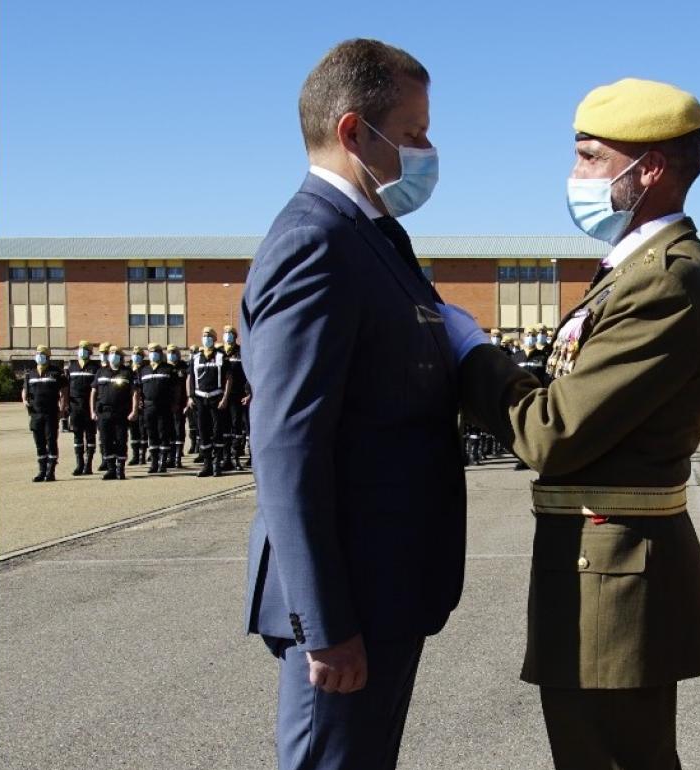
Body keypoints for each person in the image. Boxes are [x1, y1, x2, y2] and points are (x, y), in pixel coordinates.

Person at [441, 77, 700, 769]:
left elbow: (553, 432)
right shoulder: (631, 270)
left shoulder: (665, 278)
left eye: (589, 157)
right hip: (597, 556)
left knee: (609, 757)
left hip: (617, 567)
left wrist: (470, 351)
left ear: (650, 168)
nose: (575, 177)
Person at [241, 39, 464, 770]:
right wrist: (324, 624)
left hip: (386, 590)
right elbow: (287, 447)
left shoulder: (375, 238)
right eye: (412, 132)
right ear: (351, 132)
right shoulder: (316, 242)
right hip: (348, 606)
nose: (427, 150)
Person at [187, 326, 230, 478]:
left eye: (209, 336)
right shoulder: (196, 358)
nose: (206, 338)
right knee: (203, 431)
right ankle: (207, 464)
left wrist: (225, 397)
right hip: (200, 399)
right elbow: (190, 378)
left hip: (216, 398)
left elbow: (228, 378)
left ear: (215, 338)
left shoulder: (221, 356)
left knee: (218, 430)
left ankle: (217, 463)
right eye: (204, 335)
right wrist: (190, 396)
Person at [91, 346, 136, 481]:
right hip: (104, 412)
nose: (113, 355)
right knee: (106, 441)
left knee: (121, 440)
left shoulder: (127, 373)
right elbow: (93, 392)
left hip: (121, 413)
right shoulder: (101, 372)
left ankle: (120, 469)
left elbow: (134, 393)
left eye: (116, 353)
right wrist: (92, 411)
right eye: (111, 353)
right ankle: (110, 469)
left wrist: (134, 411)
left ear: (121, 357)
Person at [23, 345, 67, 482]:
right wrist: (24, 400)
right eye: (37, 353)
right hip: (36, 414)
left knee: (51, 440)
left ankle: (51, 471)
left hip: (51, 413)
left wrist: (62, 408)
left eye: (42, 354)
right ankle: (42, 470)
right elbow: (25, 390)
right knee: (39, 442)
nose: (39, 356)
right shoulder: (30, 373)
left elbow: (64, 391)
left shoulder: (56, 372)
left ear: (48, 357)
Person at [135, 343, 177, 474]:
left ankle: (162, 462)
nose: (153, 353)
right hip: (149, 406)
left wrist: (175, 403)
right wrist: (139, 402)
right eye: (151, 351)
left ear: (160, 353)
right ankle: (153, 462)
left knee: (163, 433)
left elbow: (176, 389)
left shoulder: (169, 369)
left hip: (164, 406)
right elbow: (138, 389)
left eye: (156, 351)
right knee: (151, 434)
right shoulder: (144, 370)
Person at [65, 340, 100, 475]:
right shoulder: (72, 367)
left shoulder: (95, 368)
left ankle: (88, 465)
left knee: (90, 436)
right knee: (77, 436)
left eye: (85, 349)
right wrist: (66, 405)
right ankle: (79, 464)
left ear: (90, 352)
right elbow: (66, 388)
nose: (82, 351)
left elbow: (97, 390)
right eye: (80, 348)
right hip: (75, 407)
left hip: (90, 406)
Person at [221, 325, 248, 471]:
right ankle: (225, 458)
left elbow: (249, 373)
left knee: (237, 426)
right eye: (225, 333)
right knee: (224, 427)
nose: (227, 335)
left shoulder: (241, 352)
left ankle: (236, 456)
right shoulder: (219, 353)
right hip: (222, 397)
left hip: (238, 394)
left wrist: (248, 392)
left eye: (230, 333)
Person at [166, 345, 188, 468]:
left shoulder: (183, 367)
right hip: (167, 405)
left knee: (179, 429)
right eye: (169, 352)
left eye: (174, 352)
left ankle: (178, 458)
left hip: (180, 404)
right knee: (169, 431)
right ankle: (170, 455)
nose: (171, 354)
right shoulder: (165, 368)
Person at [127, 346, 147, 465]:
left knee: (143, 431)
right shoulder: (129, 371)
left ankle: (142, 455)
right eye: (134, 354)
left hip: (143, 405)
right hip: (131, 405)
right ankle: (135, 455)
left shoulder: (145, 369)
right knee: (133, 431)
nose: (136, 356)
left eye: (138, 354)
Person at [95, 342, 113, 472]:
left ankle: (113, 460)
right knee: (102, 436)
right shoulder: (98, 370)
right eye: (101, 353)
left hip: (114, 407)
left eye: (105, 353)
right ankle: (104, 458)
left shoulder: (115, 368)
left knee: (113, 436)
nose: (103, 356)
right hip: (101, 407)